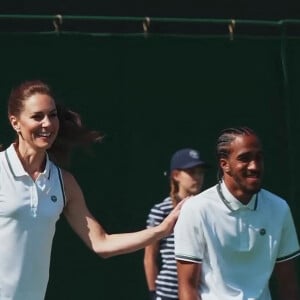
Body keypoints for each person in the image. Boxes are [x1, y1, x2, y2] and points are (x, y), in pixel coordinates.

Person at [0, 80, 184, 300]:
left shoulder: (64, 182)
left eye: (52, 115)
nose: (47, 124)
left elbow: (102, 243)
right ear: (15, 123)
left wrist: (161, 230)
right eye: (37, 116)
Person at [174, 126, 300, 300]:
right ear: (224, 164)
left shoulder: (279, 208)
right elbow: (187, 287)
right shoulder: (196, 209)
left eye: (259, 158)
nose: (254, 166)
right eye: (245, 158)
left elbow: (288, 284)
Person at [144, 148, 209, 300]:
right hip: (167, 295)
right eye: (192, 172)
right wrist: (153, 293)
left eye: (200, 172)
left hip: (200, 294)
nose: (198, 177)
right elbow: (149, 257)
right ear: (176, 175)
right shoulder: (161, 210)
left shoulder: (208, 210)